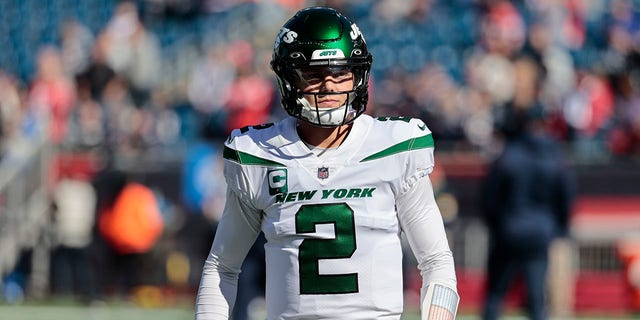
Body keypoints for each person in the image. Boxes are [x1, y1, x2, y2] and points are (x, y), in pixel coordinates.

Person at [194, 7, 459, 320]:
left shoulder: (394, 148)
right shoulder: (259, 154)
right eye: (315, 74)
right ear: (289, 78)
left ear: (358, 76)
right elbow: (222, 266)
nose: (329, 86)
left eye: (341, 73)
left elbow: (437, 262)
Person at [481, 56, 575, 320]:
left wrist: (497, 224)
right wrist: (558, 227)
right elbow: (565, 196)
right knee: (537, 300)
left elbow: (490, 197)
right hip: (539, 232)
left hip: (508, 231)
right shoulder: (555, 157)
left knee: (495, 296)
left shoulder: (509, 155)